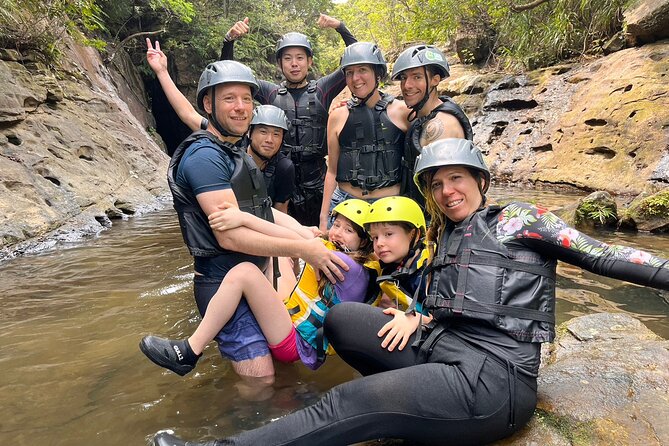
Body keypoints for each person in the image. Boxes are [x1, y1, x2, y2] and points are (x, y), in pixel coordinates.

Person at [153, 138, 669, 446]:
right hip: (446, 348)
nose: (449, 190)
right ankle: (412, 403)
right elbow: (451, 305)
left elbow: (607, 256)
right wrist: (418, 320)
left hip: (497, 380)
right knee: (343, 320)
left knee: (348, 401)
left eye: (459, 178)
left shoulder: (520, 218)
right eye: (438, 183)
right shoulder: (443, 236)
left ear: (481, 180)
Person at [145, 59, 349, 386]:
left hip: (256, 278)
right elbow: (232, 237)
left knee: (282, 374)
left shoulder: (233, 148)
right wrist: (303, 249)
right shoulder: (205, 158)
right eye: (229, 99)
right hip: (224, 284)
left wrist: (304, 231)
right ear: (209, 105)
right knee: (261, 384)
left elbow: (261, 210)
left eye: (246, 99)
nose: (241, 107)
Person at [140, 199, 374, 375]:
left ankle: (189, 351)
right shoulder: (355, 261)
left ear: (363, 241)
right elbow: (296, 232)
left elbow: (296, 239)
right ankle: (252, 306)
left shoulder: (349, 266)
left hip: (296, 344)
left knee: (245, 273)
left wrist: (244, 218)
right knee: (280, 257)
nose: (338, 233)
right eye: (337, 225)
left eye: (349, 230)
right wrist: (245, 208)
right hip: (295, 322)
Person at [221, 14, 358, 226]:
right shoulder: (270, 92)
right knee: (280, 247)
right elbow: (231, 75)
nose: (294, 64)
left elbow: (357, 60)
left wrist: (341, 27)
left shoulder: (322, 89)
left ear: (309, 62)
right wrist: (229, 41)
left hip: (317, 183)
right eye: (287, 58)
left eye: (300, 58)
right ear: (279, 63)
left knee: (321, 240)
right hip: (278, 180)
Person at [145, 40, 294, 212]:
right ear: (251, 132)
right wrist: (162, 72)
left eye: (246, 99)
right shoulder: (227, 143)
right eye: (263, 131)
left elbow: (276, 212)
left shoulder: (284, 167)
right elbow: (188, 114)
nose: (269, 140)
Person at [319, 42, 410, 232]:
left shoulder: (402, 111)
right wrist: (323, 216)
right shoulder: (337, 116)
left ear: (377, 73)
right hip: (345, 202)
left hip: (389, 204)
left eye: (362, 70)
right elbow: (332, 171)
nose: (355, 78)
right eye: (350, 72)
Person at [390, 45, 474, 206]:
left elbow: (448, 191)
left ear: (435, 80)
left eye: (417, 77)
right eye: (403, 78)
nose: (407, 85)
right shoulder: (423, 116)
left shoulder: (442, 125)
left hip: (434, 221)